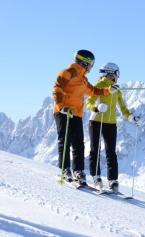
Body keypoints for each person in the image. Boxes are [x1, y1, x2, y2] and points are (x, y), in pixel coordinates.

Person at [52, 49, 110, 185]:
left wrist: (108, 91)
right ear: (85, 62)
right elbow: (57, 88)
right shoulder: (67, 72)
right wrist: (62, 106)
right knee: (64, 140)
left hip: (77, 114)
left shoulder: (83, 79)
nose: (91, 68)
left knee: (78, 143)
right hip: (63, 112)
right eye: (91, 64)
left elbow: (93, 91)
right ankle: (64, 169)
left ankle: (78, 171)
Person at [86, 62, 140, 192]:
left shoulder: (116, 89)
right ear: (111, 73)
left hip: (111, 123)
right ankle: (96, 177)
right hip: (96, 121)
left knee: (111, 152)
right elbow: (89, 103)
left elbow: (123, 107)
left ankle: (113, 181)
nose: (118, 77)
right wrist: (96, 108)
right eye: (117, 73)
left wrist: (130, 117)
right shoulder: (99, 86)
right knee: (95, 150)